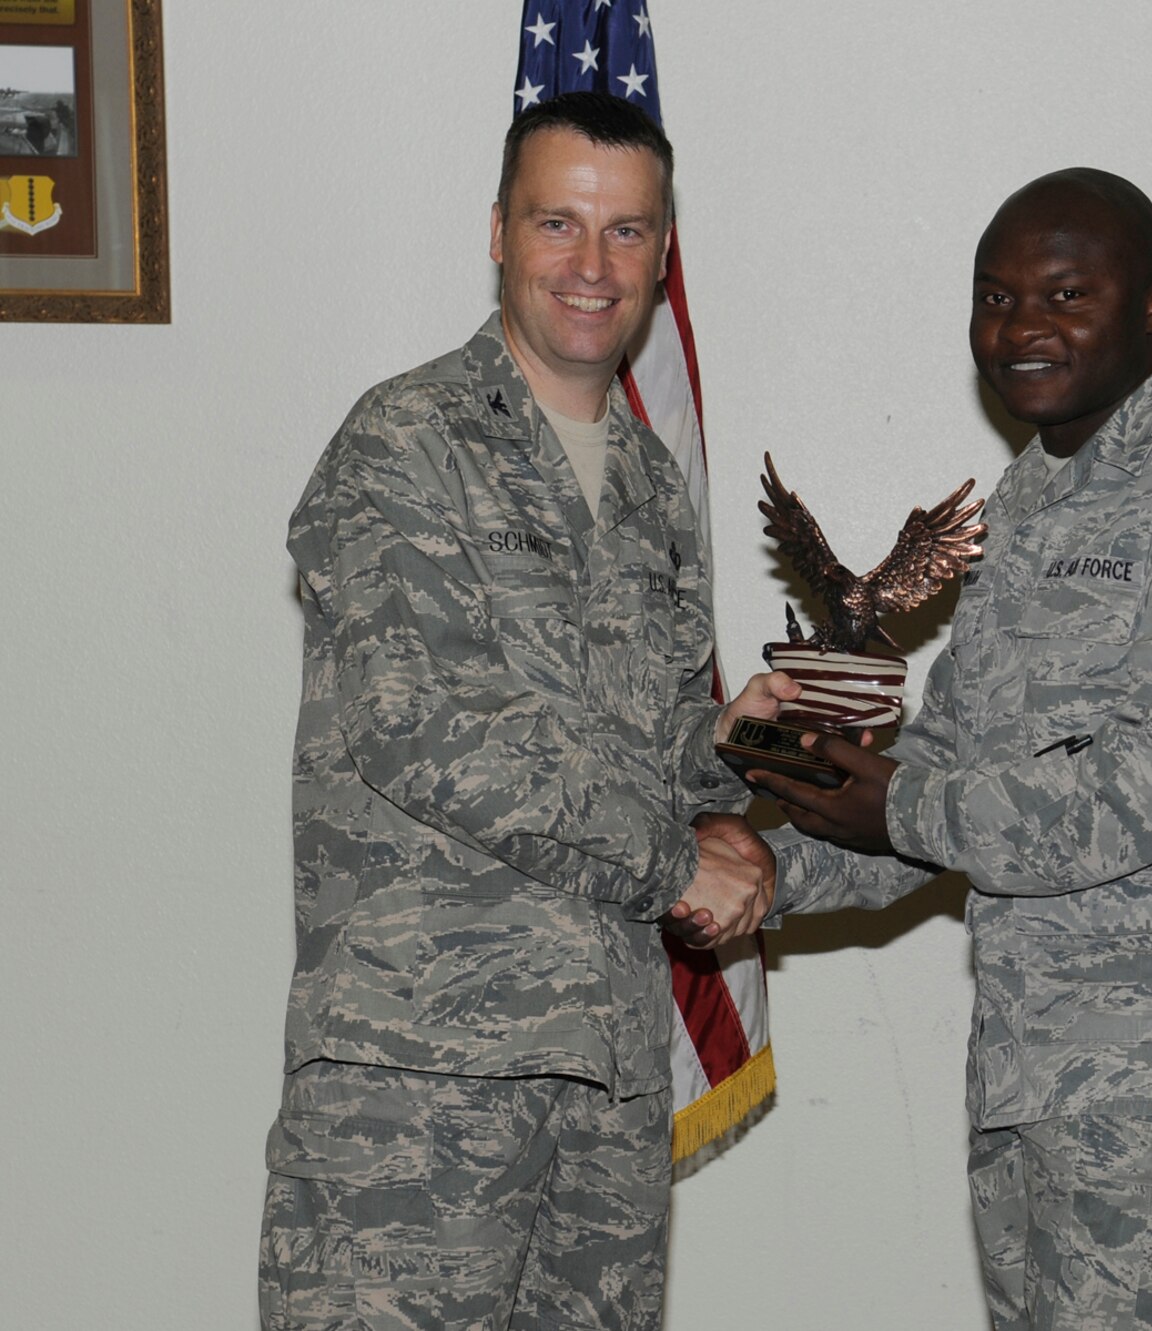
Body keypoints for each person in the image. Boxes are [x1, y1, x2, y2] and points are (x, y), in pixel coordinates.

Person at [739, 169, 1152, 1331]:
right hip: (1039, 1063)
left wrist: (900, 807)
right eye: (996, 297)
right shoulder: (1029, 499)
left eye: (1065, 294)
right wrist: (757, 864)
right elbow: (946, 767)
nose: (1022, 327)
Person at [261, 92, 790, 1330]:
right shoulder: (405, 440)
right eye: (559, 222)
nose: (591, 264)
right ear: (498, 231)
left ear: (661, 253)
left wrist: (749, 736)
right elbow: (427, 730)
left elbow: (653, 745)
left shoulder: (650, 481)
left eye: (626, 230)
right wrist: (677, 864)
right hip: (417, 1075)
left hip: (606, 1074)